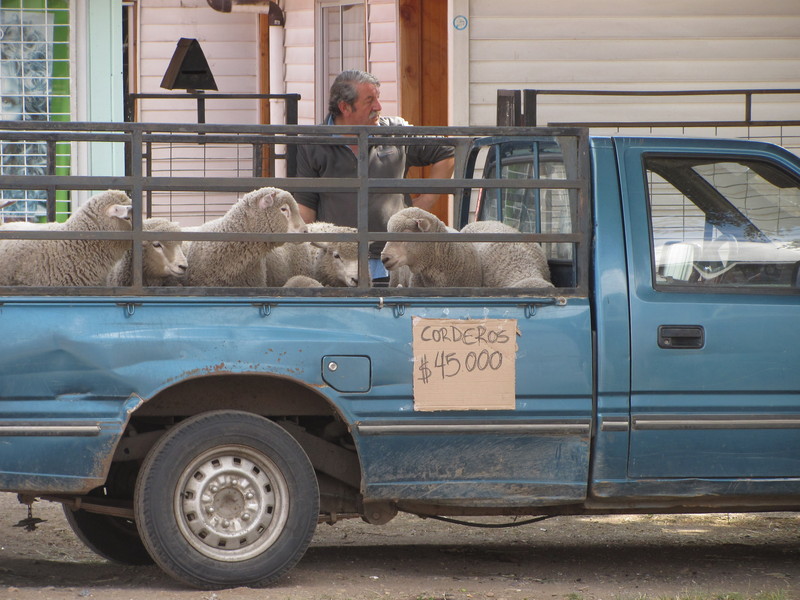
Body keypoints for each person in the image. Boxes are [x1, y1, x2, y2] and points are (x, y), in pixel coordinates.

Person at [293, 70, 455, 282]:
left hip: (394, 258)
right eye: (370, 101)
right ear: (345, 107)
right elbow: (306, 210)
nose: (378, 106)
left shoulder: (395, 131)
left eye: (378, 98)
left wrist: (426, 200)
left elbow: (446, 152)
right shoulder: (312, 143)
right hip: (341, 263)